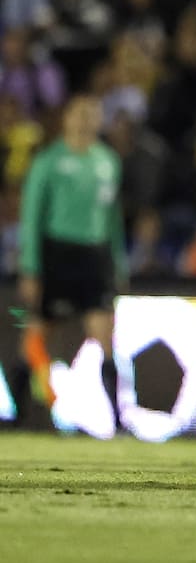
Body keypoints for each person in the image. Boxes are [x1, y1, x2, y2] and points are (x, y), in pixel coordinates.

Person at [18, 94, 126, 426]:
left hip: (93, 258)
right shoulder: (48, 161)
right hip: (57, 255)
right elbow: (31, 216)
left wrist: (118, 263)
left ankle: (119, 420)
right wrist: (31, 267)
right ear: (65, 119)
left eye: (91, 113)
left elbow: (112, 218)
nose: (84, 120)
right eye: (78, 113)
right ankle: (16, 415)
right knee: (36, 333)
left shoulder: (108, 161)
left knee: (104, 336)